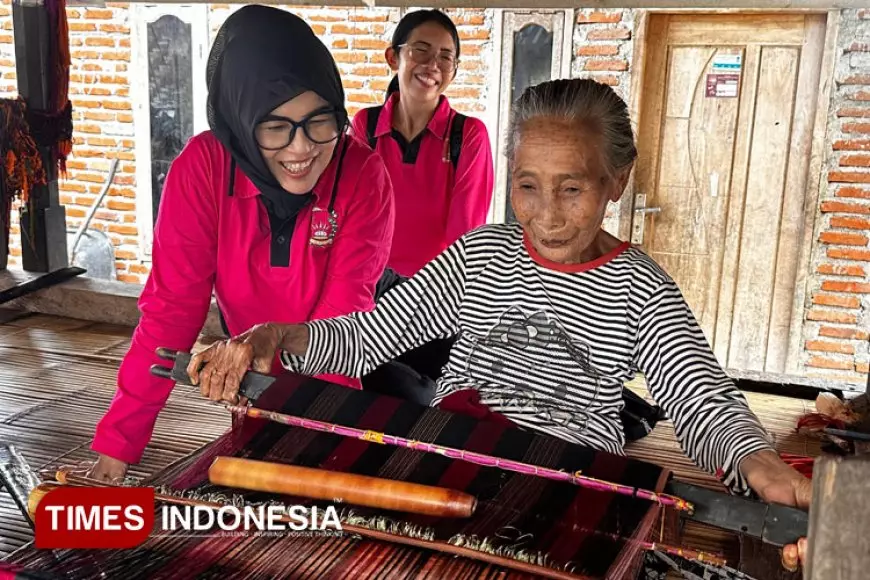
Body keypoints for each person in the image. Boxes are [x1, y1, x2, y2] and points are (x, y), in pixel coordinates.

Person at [188, 78, 810, 568]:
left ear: (615, 180)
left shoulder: (641, 289)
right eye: (528, 186)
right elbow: (370, 335)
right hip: (448, 465)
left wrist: (757, 461)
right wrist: (280, 335)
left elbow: (703, 398)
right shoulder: (482, 254)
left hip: (566, 496)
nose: (547, 216)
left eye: (573, 189)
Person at [87, 5, 394, 482]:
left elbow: (343, 322)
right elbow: (171, 312)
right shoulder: (203, 170)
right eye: (274, 126)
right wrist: (117, 449)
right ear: (240, 119)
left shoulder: (362, 175)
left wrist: (320, 447)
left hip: (338, 383)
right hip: (252, 384)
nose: (301, 149)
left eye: (320, 121)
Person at [352, 9, 494, 278]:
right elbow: (355, 218)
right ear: (393, 58)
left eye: (445, 57)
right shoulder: (366, 127)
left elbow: (465, 236)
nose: (433, 65)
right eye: (421, 50)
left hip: (435, 291)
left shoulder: (468, 135)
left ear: (454, 71)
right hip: (369, 285)